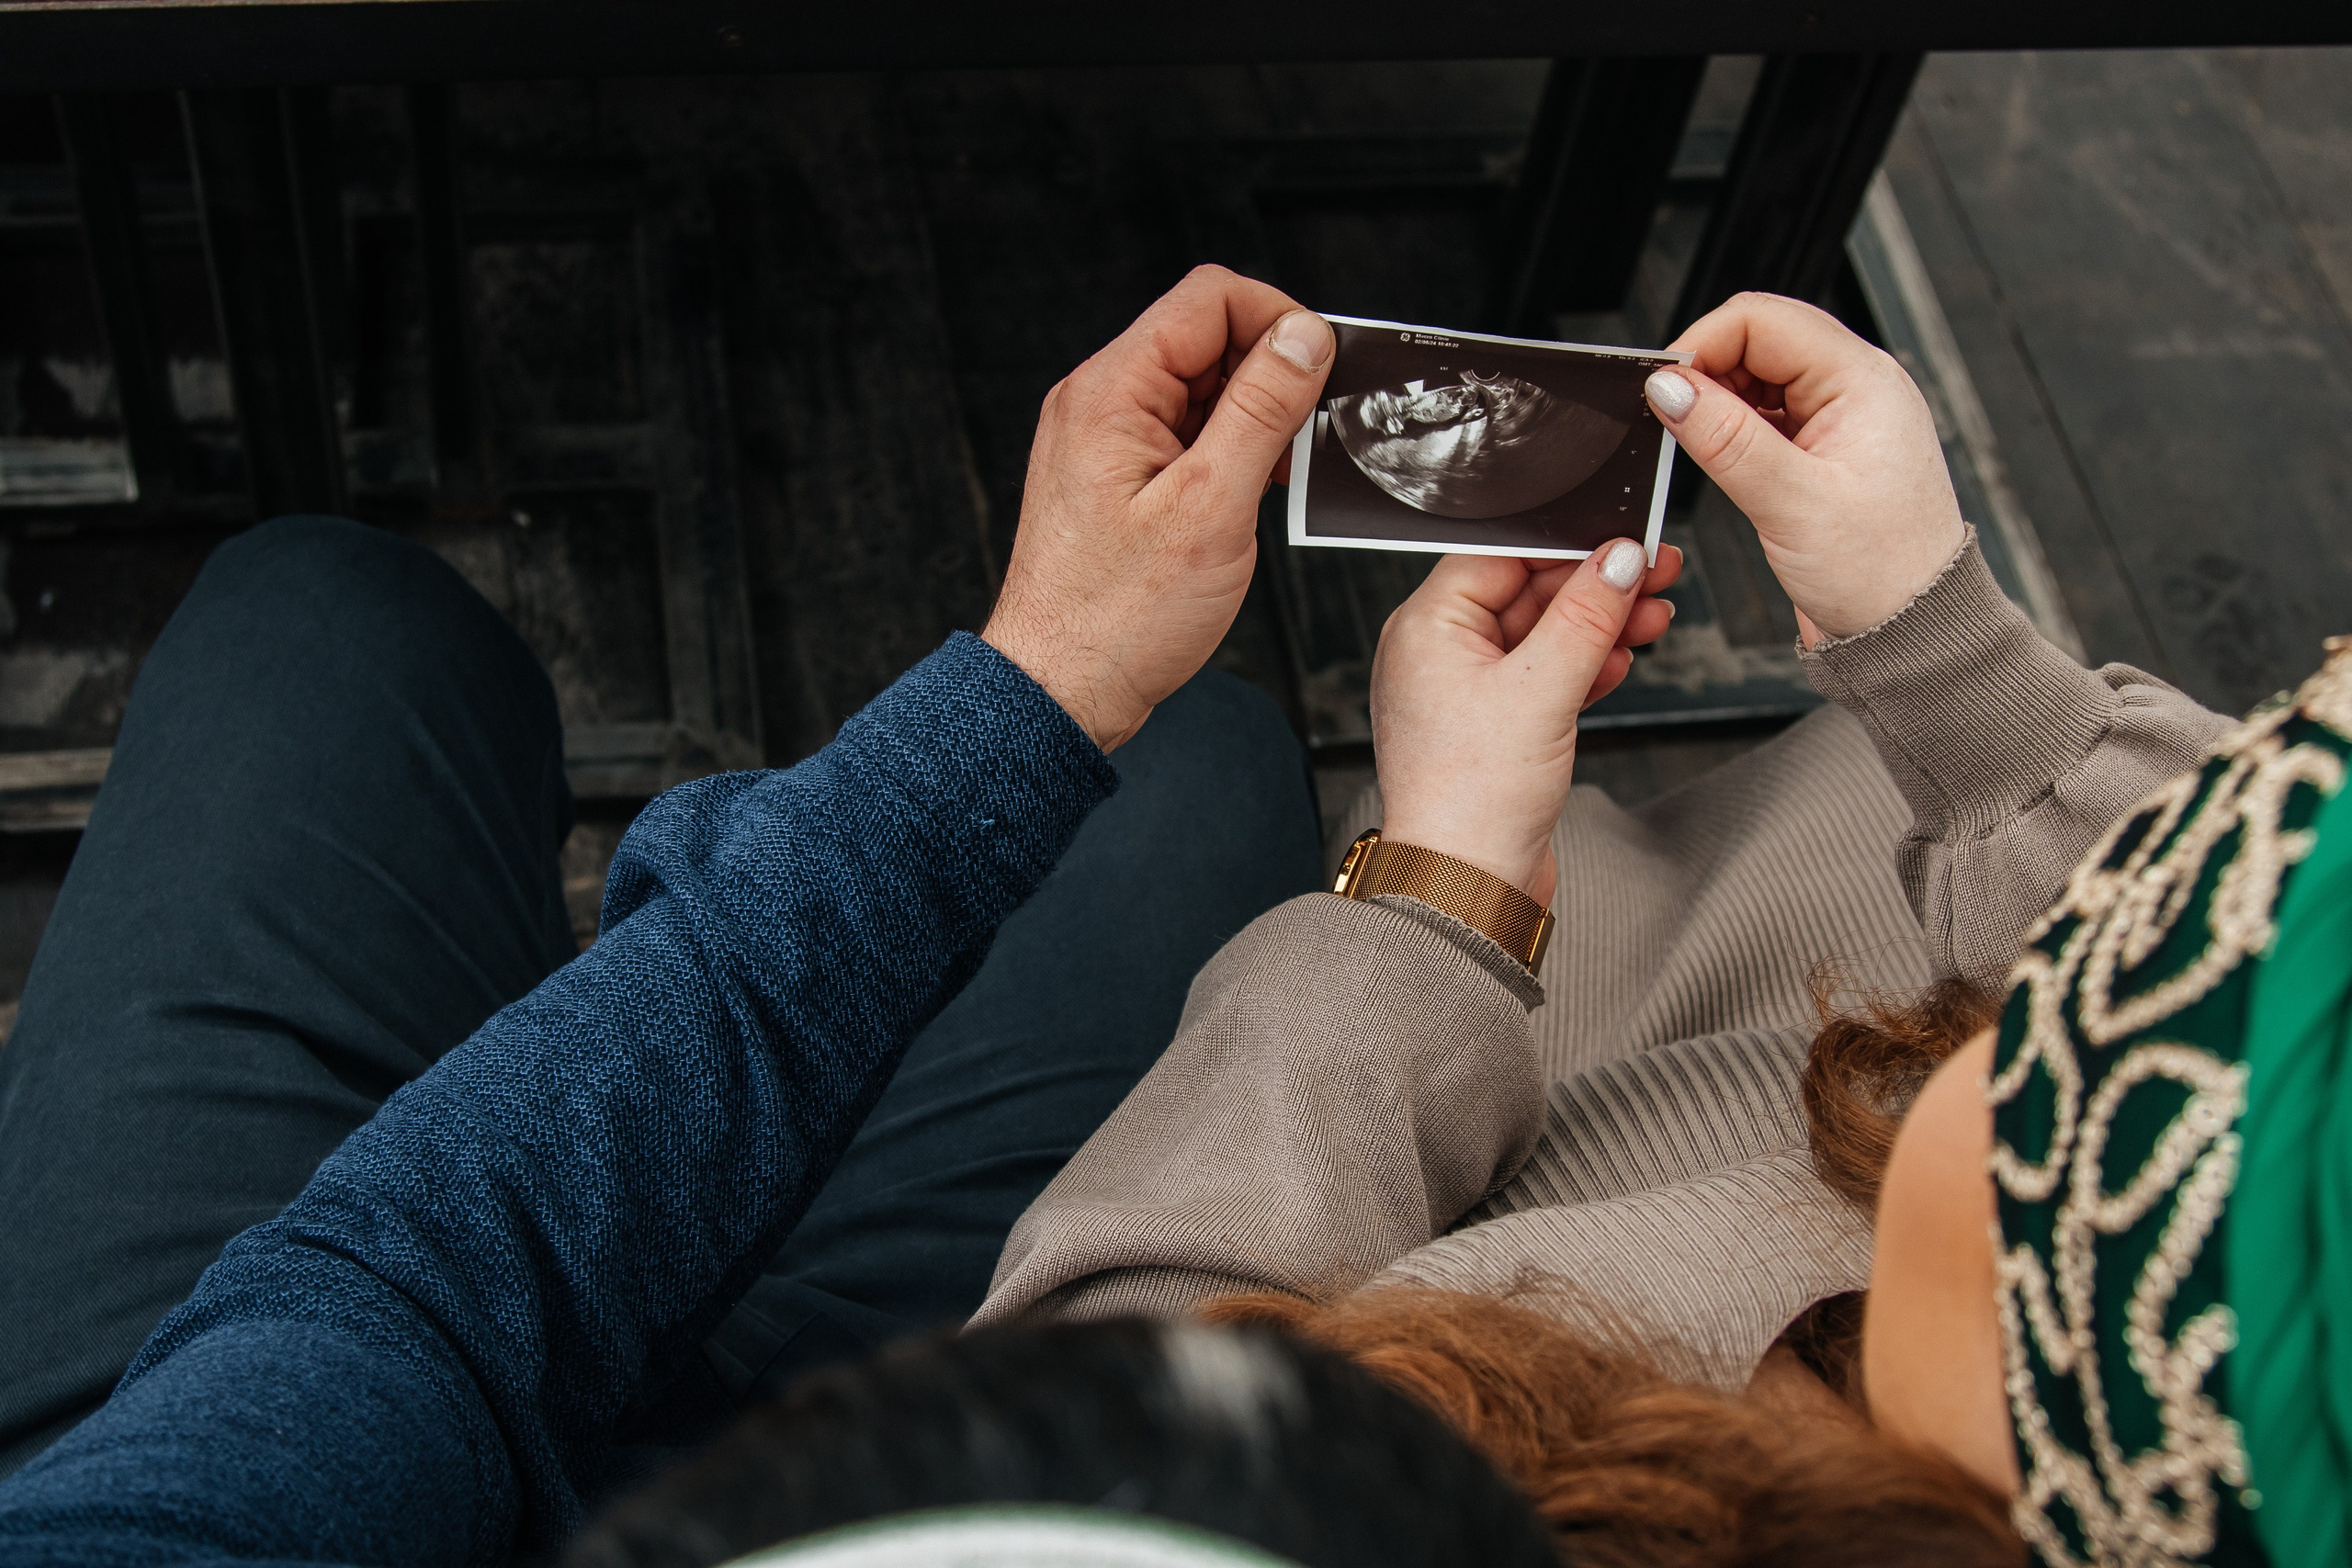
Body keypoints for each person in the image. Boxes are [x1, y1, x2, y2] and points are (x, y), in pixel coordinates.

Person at [0, 264, 1679, 1564]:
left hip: (251, 1448)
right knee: (1204, 769)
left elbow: (432, 1298)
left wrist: (1043, 689)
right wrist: (1435, 891)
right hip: (932, 1452)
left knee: (320, 620)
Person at [975, 290, 2231, 1404]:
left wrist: (1436, 889)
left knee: (1197, 754)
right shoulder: (2189, 1090)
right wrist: (1948, 653)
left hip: (1412, 1083)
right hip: (1714, 960)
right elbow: (2221, 963)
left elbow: (1101, 1425)